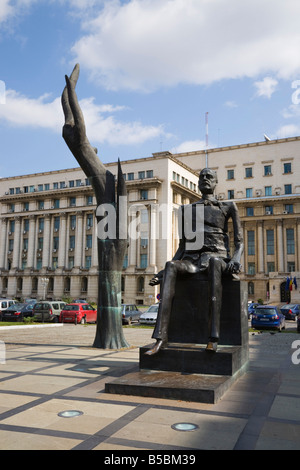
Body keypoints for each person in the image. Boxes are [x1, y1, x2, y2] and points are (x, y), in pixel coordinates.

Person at [145, 168, 244, 355]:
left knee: (214, 262)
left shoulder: (228, 206)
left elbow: (239, 242)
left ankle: (213, 338)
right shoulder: (186, 210)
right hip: (192, 260)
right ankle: (160, 338)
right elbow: (182, 246)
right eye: (202, 177)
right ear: (198, 183)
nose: (205, 179)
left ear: (216, 183)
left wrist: (236, 260)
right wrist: (162, 272)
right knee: (171, 266)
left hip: (219, 259)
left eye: (209, 177)